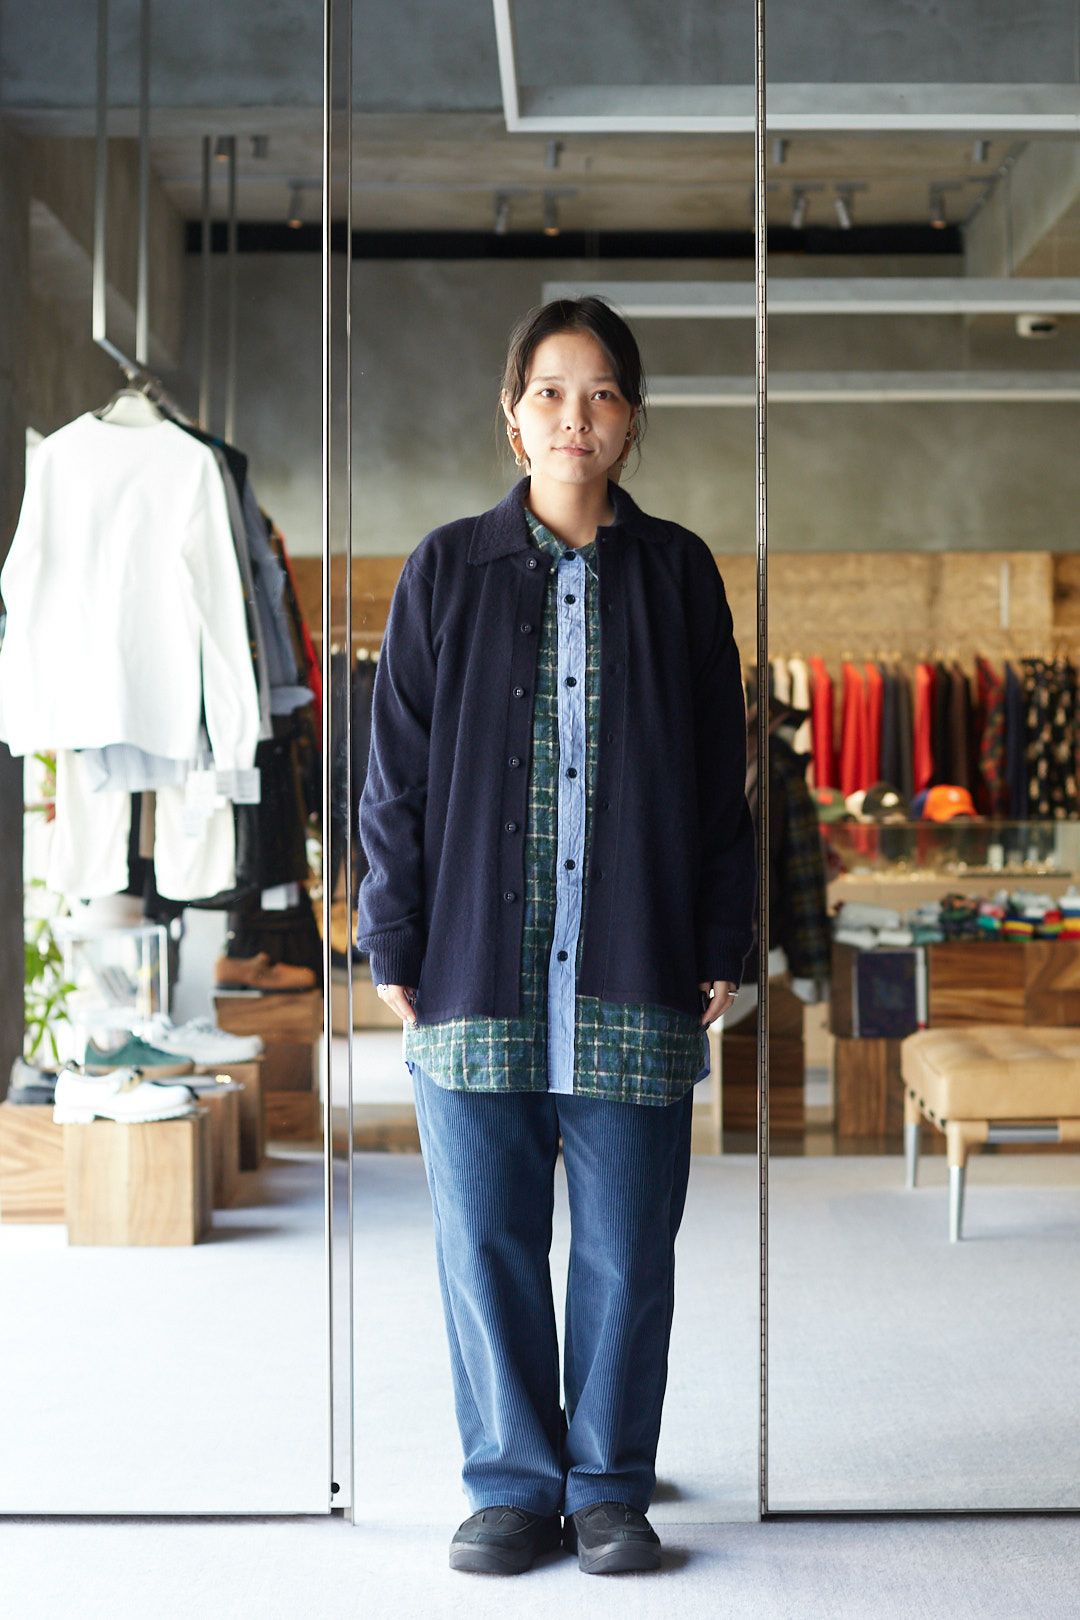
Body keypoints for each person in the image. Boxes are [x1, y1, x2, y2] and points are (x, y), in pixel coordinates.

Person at [356, 295, 755, 1577]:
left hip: (637, 958)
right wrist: (392, 931)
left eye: (601, 394)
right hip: (475, 966)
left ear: (631, 421)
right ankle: (513, 1484)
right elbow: (395, 776)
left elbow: (721, 777)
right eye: (550, 393)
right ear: (513, 416)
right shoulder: (443, 570)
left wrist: (726, 932)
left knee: (630, 1249)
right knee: (485, 1242)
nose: (574, 417)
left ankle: (609, 1487)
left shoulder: (680, 574)